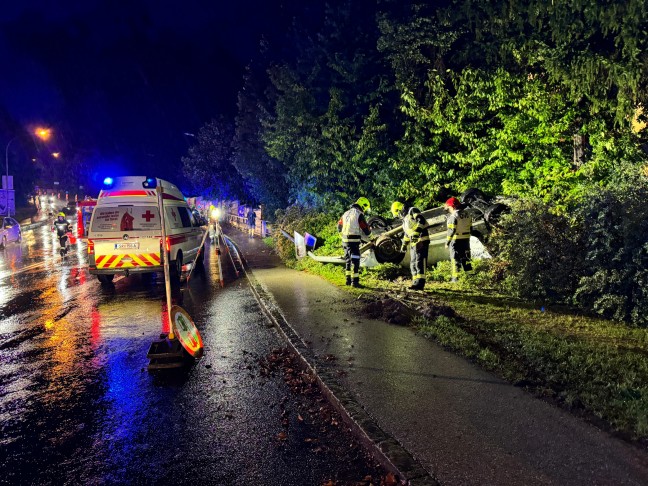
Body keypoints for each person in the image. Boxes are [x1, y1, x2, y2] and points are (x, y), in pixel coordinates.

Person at [337, 197, 371, 288]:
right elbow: (366, 229)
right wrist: (369, 233)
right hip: (354, 241)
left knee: (348, 260)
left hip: (344, 241)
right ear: (363, 206)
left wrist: (343, 235)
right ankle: (355, 282)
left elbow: (339, 227)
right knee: (355, 260)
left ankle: (347, 280)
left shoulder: (346, 213)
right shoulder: (359, 214)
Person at [444, 197, 473, 282]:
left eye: (448, 208)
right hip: (466, 239)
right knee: (466, 258)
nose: (448, 210)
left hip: (456, 239)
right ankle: (470, 276)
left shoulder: (453, 216)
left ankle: (455, 279)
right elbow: (471, 228)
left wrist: (447, 242)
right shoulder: (467, 214)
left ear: (452, 207)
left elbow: (451, 231)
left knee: (455, 259)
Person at [401, 207, 430, 290]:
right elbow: (407, 234)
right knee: (413, 263)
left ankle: (420, 283)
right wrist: (404, 244)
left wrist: (417, 233)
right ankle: (415, 282)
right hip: (414, 242)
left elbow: (421, 220)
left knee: (420, 261)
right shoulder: (405, 221)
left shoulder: (412, 211)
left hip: (421, 239)